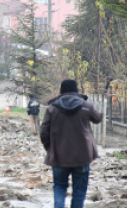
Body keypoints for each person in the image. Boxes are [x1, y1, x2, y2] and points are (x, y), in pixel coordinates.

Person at [40, 80, 102, 208]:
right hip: (83, 156)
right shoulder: (86, 106)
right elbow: (98, 118)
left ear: (61, 91)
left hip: (58, 157)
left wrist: (50, 149)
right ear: (76, 90)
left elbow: (43, 133)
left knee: (59, 187)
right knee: (79, 190)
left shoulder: (52, 108)